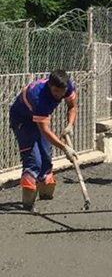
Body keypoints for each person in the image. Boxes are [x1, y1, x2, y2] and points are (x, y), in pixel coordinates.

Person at [9, 70, 79, 210]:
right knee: (34, 161)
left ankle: (46, 194)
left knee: (46, 156)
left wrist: (70, 125)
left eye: (62, 91)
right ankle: (28, 203)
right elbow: (45, 131)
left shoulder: (67, 86)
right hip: (23, 120)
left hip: (38, 119)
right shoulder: (39, 97)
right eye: (55, 91)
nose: (59, 95)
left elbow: (72, 106)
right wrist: (65, 148)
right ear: (49, 86)